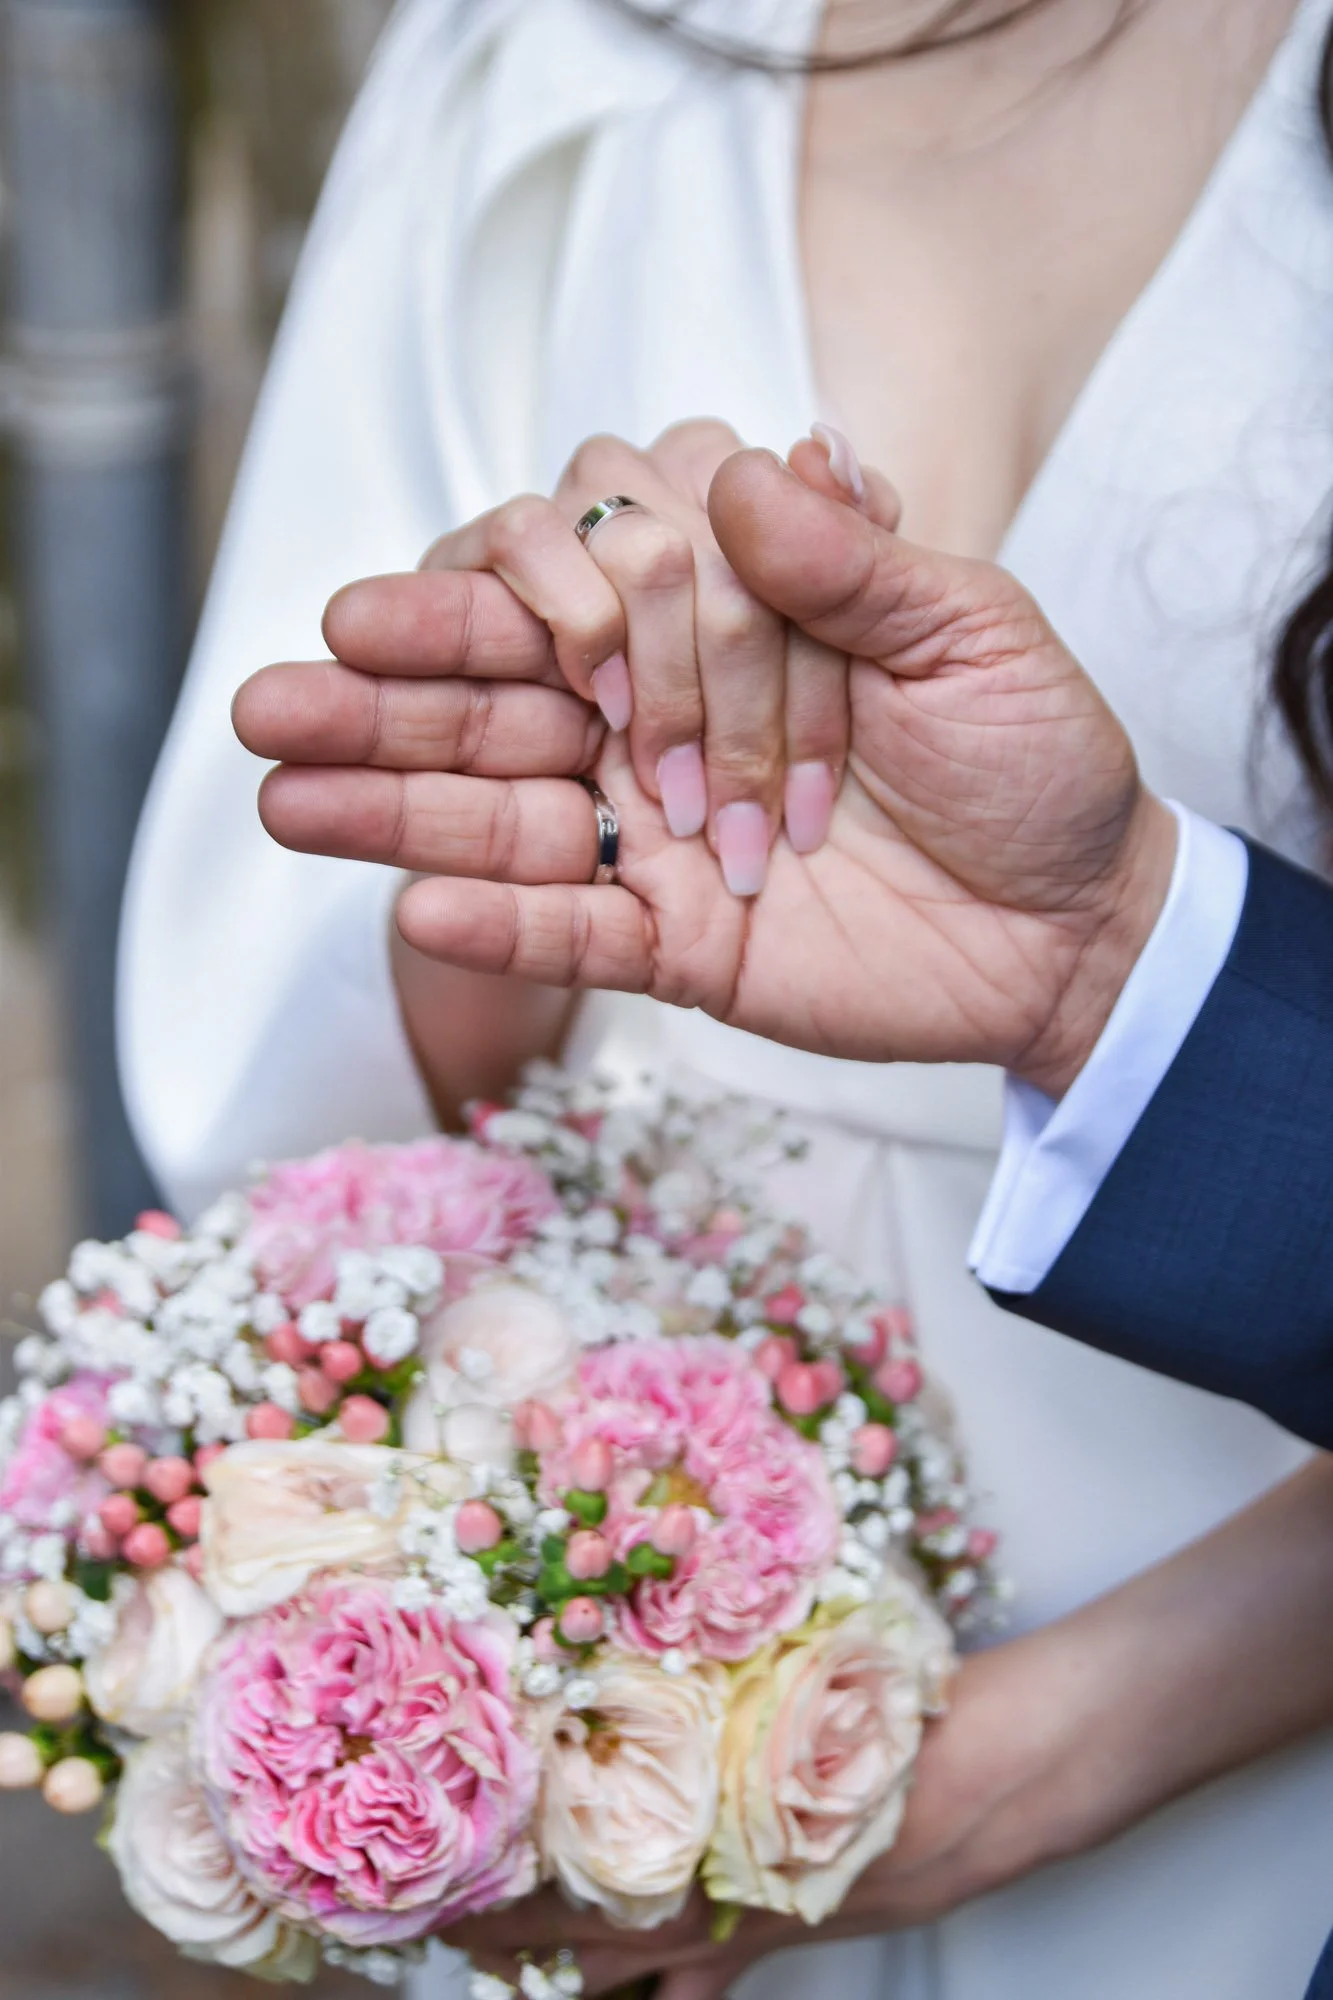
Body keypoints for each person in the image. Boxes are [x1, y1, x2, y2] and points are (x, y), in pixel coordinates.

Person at [121, 1, 1333, 1995]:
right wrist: (507, 815)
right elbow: (300, 1074)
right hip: (597, 1689)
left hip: (1236, 1790)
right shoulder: (558, 54)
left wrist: (1007, 1772)